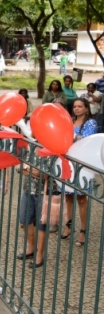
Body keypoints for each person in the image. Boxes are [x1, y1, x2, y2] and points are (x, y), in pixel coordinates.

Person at [60, 97, 98, 247]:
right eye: (75, 106)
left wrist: (72, 137)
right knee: (68, 197)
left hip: (82, 163)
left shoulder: (91, 123)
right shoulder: (69, 121)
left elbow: (87, 139)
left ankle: (83, 230)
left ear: (87, 108)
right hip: (67, 161)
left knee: (81, 198)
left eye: (80, 106)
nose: (76, 109)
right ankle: (68, 226)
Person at [16, 165, 49, 269]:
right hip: (28, 189)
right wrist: (29, 170)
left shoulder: (50, 153)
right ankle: (31, 248)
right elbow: (18, 167)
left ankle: (40, 254)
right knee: (24, 219)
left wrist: (28, 170)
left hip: (44, 192)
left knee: (41, 223)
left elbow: (45, 175)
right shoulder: (30, 150)